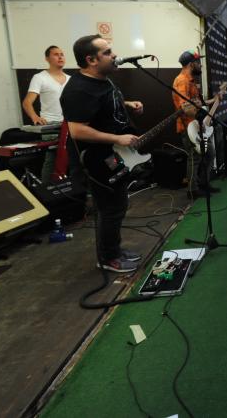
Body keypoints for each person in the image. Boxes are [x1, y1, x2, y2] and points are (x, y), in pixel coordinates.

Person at [60, 34, 144, 274]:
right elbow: (77, 130)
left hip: (114, 154)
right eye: (107, 52)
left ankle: (113, 250)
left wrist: (127, 104)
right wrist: (117, 138)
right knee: (110, 208)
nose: (114, 55)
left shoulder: (102, 81)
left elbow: (102, 103)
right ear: (91, 60)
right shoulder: (78, 90)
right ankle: (108, 258)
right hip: (97, 160)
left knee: (118, 204)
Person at [172, 50, 219, 199]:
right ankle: (192, 190)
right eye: (198, 63)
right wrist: (201, 116)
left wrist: (213, 100)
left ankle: (204, 183)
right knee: (195, 157)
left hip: (196, 124)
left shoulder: (192, 81)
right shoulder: (182, 81)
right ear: (191, 64)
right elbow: (186, 108)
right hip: (188, 127)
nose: (201, 66)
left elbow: (198, 103)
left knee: (209, 153)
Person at [22, 45, 70, 181]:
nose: (60, 57)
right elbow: (27, 102)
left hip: (70, 125)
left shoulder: (71, 79)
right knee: (52, 159)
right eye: (56, 54)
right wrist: (35, 116)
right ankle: (48, 191)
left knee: (73, 158)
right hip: (51, 126)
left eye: (62, 54)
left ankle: (73, 190)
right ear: (47, 59)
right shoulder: (40, 77)